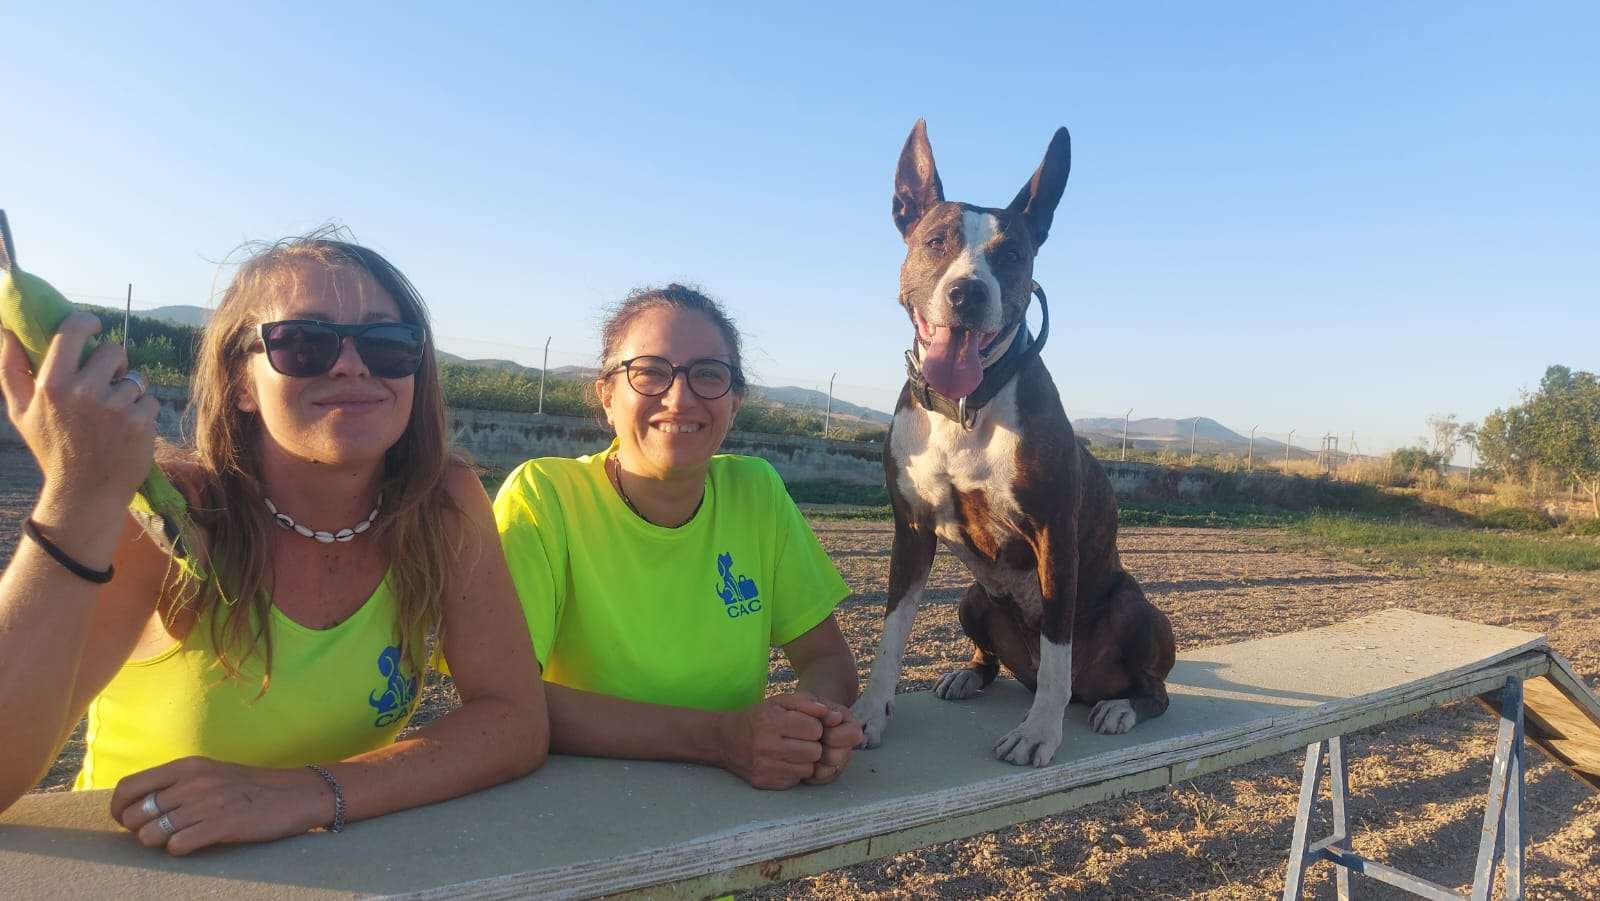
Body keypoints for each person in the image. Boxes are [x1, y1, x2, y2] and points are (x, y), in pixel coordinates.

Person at [0, 233, 547, 853]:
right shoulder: (172, 520)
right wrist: (78, 497)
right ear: (240, 383)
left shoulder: (440, 504)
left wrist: (305, 793)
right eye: (304, 342)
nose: (351, 364)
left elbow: (514, 719)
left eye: (388, 344)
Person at [494, 284, 862, 789]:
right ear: (606, 395)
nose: (679, 397)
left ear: (735, 402)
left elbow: (827, 659)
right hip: (578, 801)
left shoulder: (756, 491)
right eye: (649, 372)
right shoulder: (544, 497)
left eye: (708, 374)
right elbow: (505, 700)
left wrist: (811, 723)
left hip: (730, 804)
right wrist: (720, 739)